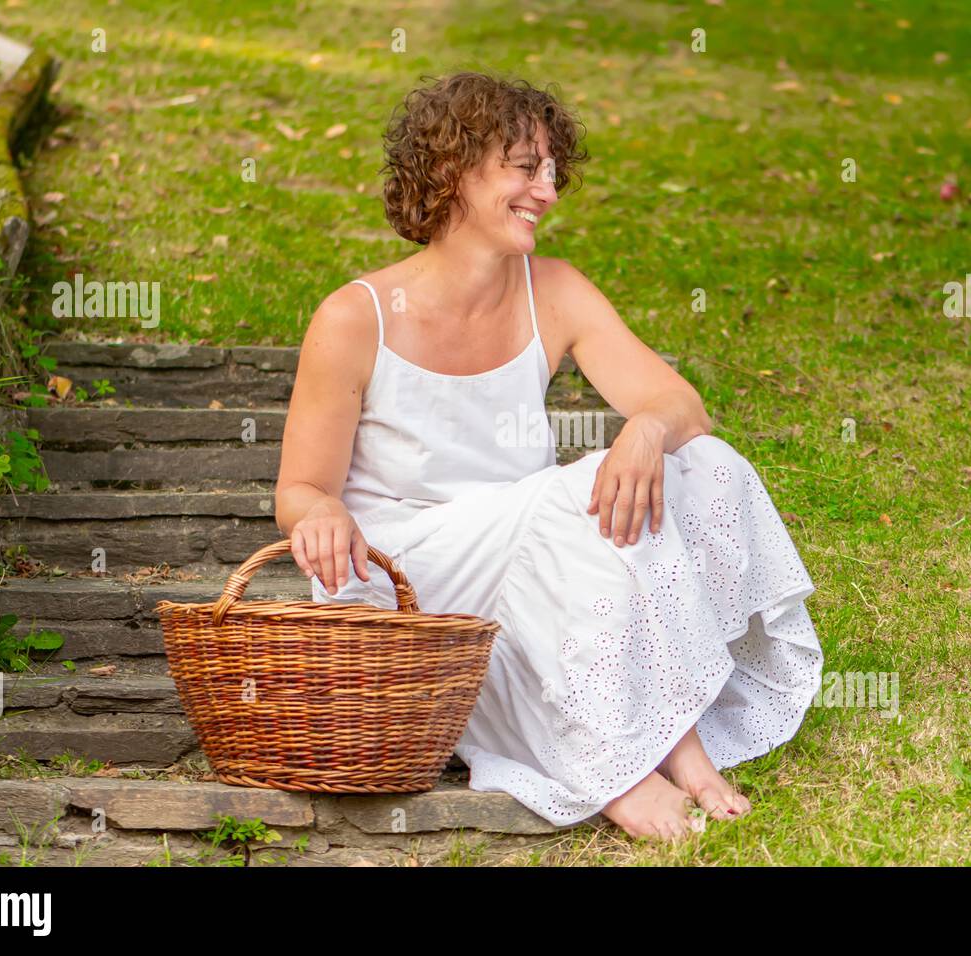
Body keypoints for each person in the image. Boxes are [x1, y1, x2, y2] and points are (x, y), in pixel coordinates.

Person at [275, 72, 824, 843]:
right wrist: (324, 511)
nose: (549, 190)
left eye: (553, 171)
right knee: (576, 497)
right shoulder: (354, 317)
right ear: (452, 172)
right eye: (526, 168)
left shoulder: (555, 290)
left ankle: (670, 728)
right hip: (407, 569)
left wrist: (643, 432)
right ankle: (633, 764)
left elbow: (682, 410)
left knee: (705, 465)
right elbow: (299, 488)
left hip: (544, 545)